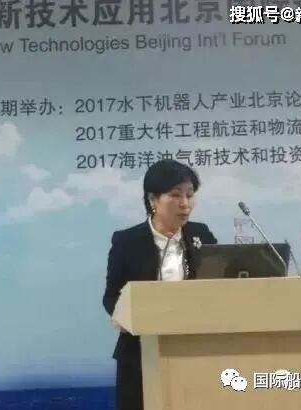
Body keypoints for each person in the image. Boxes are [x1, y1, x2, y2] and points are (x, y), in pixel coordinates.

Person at [102, 159, 218, 410]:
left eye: (189, 195)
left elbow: (216, 286)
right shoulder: (127, 242)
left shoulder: (201, 234)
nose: (185, 203)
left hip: (194, 348)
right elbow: (111, 297)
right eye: (175, 195)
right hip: (141, 354)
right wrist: (128, 318)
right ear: (153, 199)